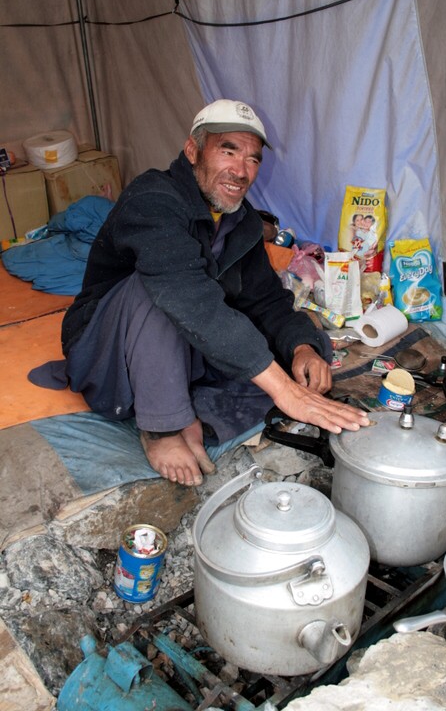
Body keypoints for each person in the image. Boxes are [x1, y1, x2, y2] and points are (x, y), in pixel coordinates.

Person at [58, 99, 369, 486]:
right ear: (192, 150)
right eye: (228, 151)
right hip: (106, 348)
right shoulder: (152, 198)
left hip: (180, 346)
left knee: (296, 347)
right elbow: (187, 296)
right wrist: (284, 391)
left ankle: (188, 410)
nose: (241, 171)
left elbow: (267, 300)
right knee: (161, 288)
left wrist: (302, 347)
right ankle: (162, 426)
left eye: (253, 159)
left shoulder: (242, 221)